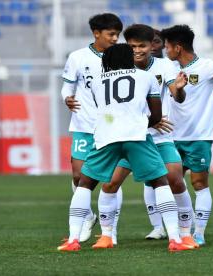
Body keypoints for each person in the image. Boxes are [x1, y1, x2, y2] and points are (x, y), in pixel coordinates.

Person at [57, 44, 195, 252]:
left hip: (106, 137)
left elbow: (105, 110)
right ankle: (175, 239)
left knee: (85, 184)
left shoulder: (97, 82)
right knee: (160, 182)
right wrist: (139, 124)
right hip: (137, 137)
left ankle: (73, 240)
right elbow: (156, 116)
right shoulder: (146, 77)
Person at [98, 24, 198, 248]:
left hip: (159, 137)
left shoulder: (164, 66)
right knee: (110, 183)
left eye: (141, 45)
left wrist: (180, 89)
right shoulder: (121, 67)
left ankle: (185, 233)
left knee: (175, 179)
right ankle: (108, 234)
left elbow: (176, 95)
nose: (137, 50)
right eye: (132, 46)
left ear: (153, 46)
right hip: (130, 137)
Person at [160, 25, 213, 245]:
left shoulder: (207, 67)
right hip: (171, 137)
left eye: (167, 46)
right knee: (171, 183)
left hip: (198, 137)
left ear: (178, 47)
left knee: (199, 183)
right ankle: (180, 229)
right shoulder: (169, 69)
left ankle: (199, 232)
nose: (164, 50)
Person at [60, 13, 123, 243]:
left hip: (111, 127)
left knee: (111, 180)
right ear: (97, 33)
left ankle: (111, 230)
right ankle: (87, 216)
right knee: (79, 176)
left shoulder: (122, 57)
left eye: (118, 34)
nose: (115, 38)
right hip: (84, 125)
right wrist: (67, 98)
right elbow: (66, 88)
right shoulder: (77, 57)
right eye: (111, 34)